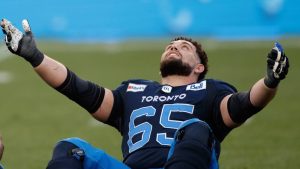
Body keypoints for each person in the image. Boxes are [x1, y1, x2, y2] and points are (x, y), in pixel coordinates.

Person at [1, 18, 289, 169]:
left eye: (184, 47)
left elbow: (245, 104)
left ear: (199, 67)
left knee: (194, 127)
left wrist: (270, 81)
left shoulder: (210, 91)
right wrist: (35, 56)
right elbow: (79, 89)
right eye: (171, 46)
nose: (174, 47)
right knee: (70, 147)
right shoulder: (133, 90)